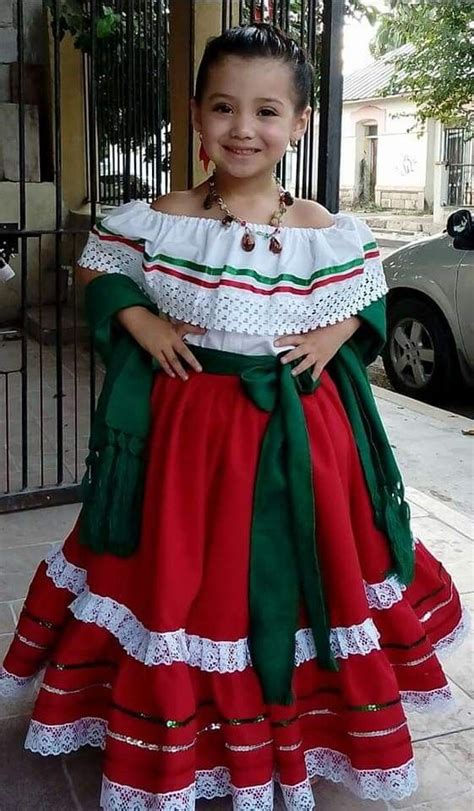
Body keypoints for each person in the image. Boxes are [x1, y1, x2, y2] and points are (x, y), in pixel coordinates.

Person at [0, 23, 467, 811]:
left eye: (267, 111)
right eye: (224, 107)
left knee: (301, 582)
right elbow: (100, 268)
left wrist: (338, 328)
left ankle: (299, 728)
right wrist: (141, 322)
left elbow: (370, 293)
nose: (243, 128)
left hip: (301, 438)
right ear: (195, 114)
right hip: (184, 439)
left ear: (300, 123)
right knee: (182, 580)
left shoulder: (328, 227)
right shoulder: (156, 216)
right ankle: (177, 730)